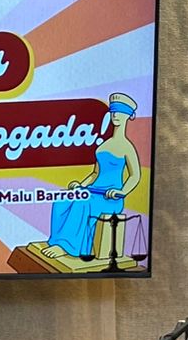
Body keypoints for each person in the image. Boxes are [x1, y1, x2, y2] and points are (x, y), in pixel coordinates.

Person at [45, 92, 143, 260]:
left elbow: (135, 175)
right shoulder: (104, 145)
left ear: (128, 116)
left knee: (82, 204)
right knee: (62, 200)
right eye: (113, 112)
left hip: (110, 197)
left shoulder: (127, 147)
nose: (115, 116)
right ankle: (58, 240)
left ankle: (68, 247)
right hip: (93, 190)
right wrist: (80, 185)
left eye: (119, 112)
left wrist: (121, 192)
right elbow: (95, 173)